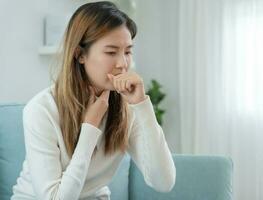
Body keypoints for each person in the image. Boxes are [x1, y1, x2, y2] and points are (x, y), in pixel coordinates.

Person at [11, 1, 176, 199]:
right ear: (80, 55)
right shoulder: (41, 109)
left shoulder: (127, 108)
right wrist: (90, 127)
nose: (123, 64)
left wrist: (142, 105)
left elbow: (164, 182)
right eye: (111, 52)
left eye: (128, 51)